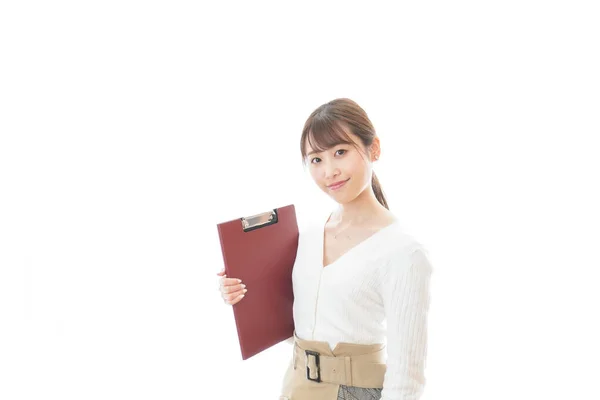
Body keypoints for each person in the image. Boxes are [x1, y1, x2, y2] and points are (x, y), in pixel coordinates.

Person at [217, 98, 433, 400]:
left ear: (374, 149)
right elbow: (306, 328)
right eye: (316, 159)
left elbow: (407, 378)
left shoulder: (404, 251)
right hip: (295, 387)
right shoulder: (308, 235)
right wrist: (244, 293)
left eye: (340, 152)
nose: (329, 171)